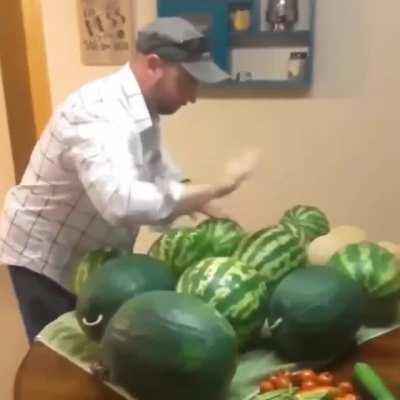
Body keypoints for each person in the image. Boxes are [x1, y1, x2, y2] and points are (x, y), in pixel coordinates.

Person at [0, 17, 257, 343]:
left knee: (95, 343)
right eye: (188, 82)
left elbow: (161, 172)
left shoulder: (142, 108)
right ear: (154, 65)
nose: (193, 97)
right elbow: (121, 202)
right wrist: (217, 186)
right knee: (58, 352)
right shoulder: (98, 112)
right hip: (45, 253)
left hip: (90, 250)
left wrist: (220, 214)